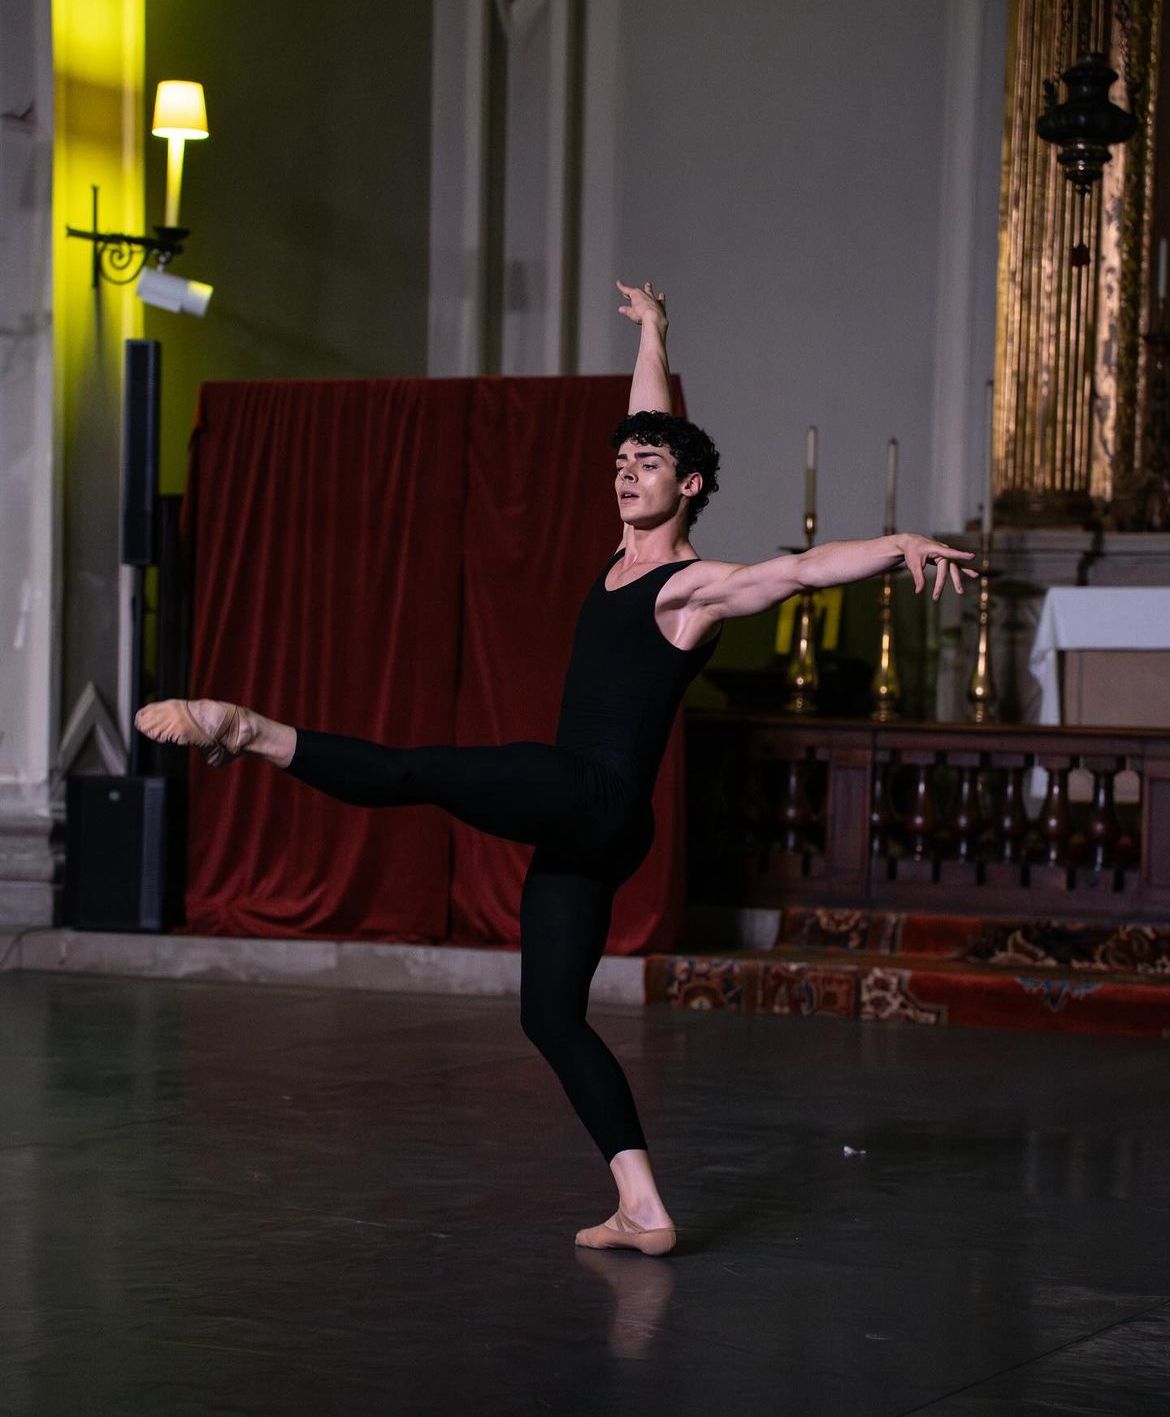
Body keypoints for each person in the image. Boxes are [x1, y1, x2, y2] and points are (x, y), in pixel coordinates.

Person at [136, 280, 975, 1257]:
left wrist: (899, 547)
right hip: (590, 824)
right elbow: (646, 417)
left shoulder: (687, 588)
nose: (626, 473)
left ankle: (248, 733)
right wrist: (657, 330)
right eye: (619, 462)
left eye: (647, 466)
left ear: (690, 486)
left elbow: (791, 571)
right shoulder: (622, 550)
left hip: (595, 793)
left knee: (421, 772)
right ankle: (643, 1205)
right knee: (550, 1015)